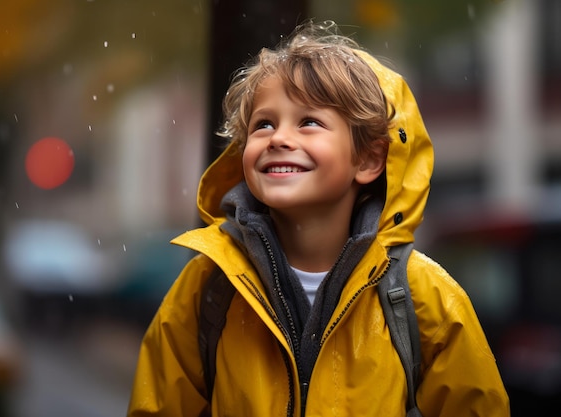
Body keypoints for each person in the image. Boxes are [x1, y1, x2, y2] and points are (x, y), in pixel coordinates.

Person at [127, 20, 510, 417]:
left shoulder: (423, 297)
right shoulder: (209, 286)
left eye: (308, 122)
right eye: (264, 124)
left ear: (368, 159)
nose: (278, 138)